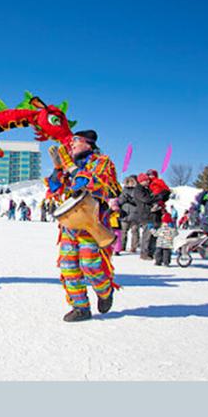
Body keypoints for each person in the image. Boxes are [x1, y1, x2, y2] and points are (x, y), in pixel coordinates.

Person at [46, 130, 121, 322]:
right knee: (68, 265)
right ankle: (80, 307)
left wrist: (69, 166)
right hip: (70, 223)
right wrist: (57, 168)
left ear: (89, 144)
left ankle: (105, 291)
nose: (71, 145)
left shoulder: (101, 162)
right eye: (71, 142)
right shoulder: (68, 165)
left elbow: (85, 183)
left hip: (91, 221)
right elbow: (55, 188)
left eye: (76, 141)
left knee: (90, 264)